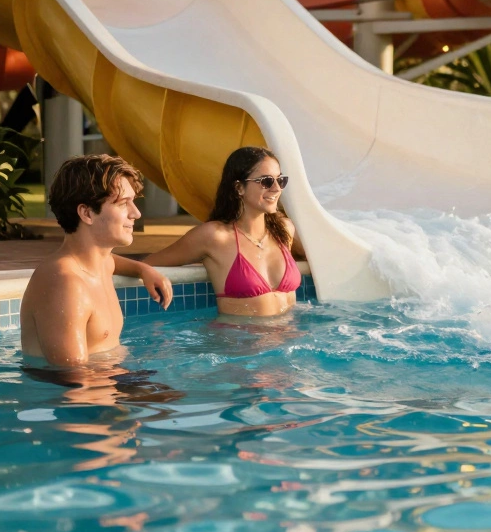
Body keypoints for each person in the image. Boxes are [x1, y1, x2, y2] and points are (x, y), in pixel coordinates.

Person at [20, 155, 173, 367]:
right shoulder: (66, 284)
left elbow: (111, 261)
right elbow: (74, 380)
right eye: (122, 204)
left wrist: (142, 269)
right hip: (83, 393)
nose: (136, 213)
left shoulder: (99, 264)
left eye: (134, 202)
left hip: (110, 379)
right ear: (86, 213)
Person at [146, 146, 302, 317]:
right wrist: (142, 271)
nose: (276, 189)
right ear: (239, 188)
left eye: (281, 180)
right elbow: (149, 263)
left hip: (291, 339)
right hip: (240, 341)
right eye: (266, 181)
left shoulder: (284, 231)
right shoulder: (214, 237)